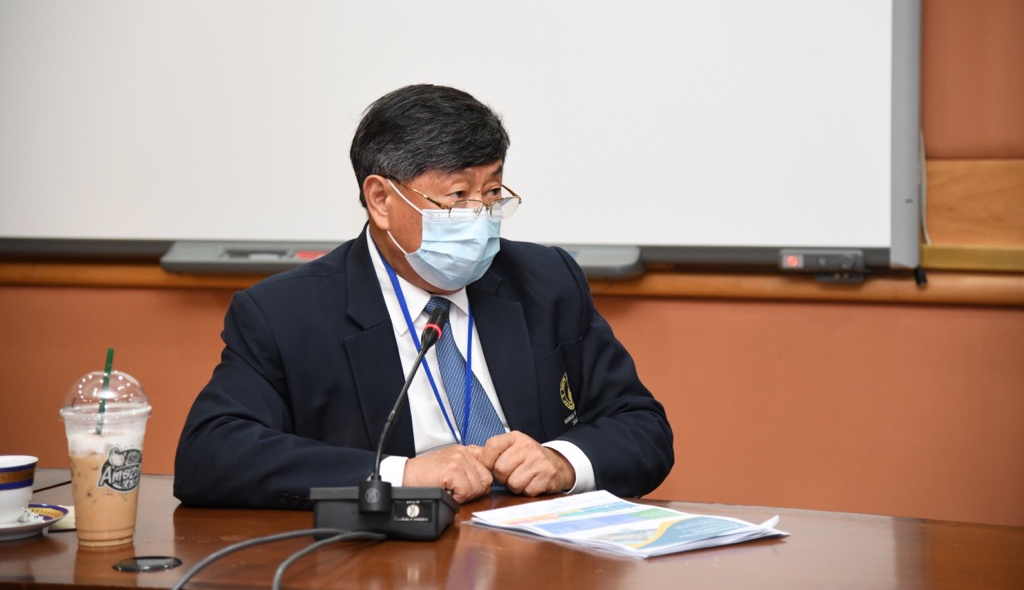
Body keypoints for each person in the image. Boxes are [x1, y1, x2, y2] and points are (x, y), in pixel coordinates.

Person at [174, 84, 674, 508]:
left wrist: (563, 461)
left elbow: (642, 426)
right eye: (458, 196)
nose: (481, 216)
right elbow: (210, 454)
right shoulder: (286, 314)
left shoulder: (546, 281)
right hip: (384, 565)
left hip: (536, 554)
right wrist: (401, 475)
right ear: (381, 199)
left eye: (492, 193)